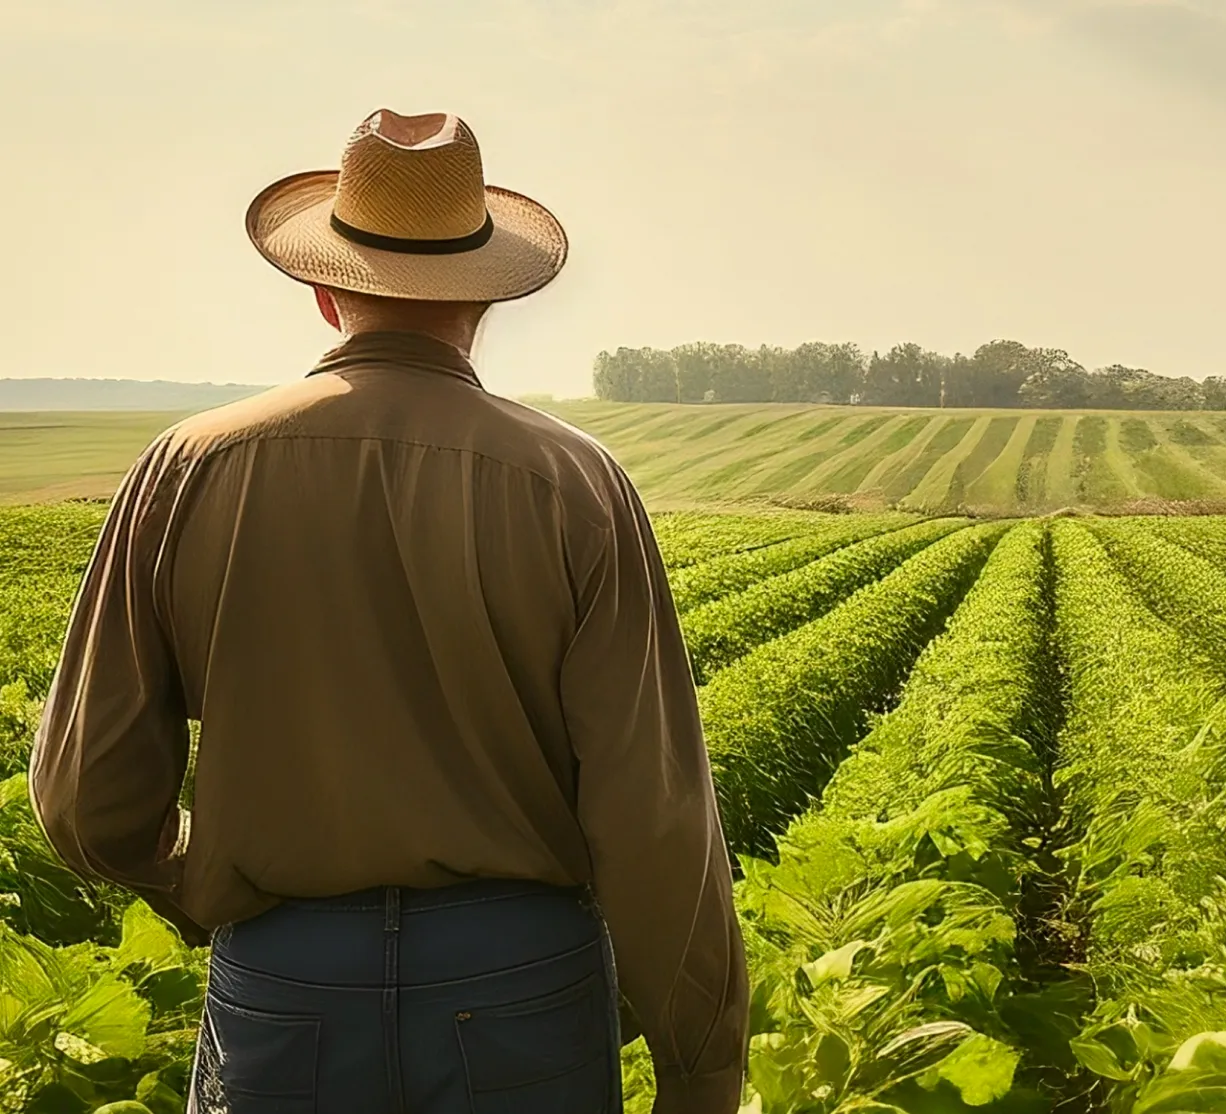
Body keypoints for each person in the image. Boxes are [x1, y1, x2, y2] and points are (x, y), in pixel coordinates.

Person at [31, 110, 746, 1113]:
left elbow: (86, 792)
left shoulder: (188, 467)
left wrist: (194, 879)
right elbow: (651, 811)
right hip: (521, 981)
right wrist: (698, 1063)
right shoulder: (576, 482)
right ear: (485, 299)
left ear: (324, 293)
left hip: (286, 972)